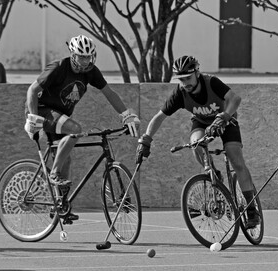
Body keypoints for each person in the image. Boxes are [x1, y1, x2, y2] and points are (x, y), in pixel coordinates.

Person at [24, 34, 140, 222]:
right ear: (72, 54)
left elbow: (109, 93)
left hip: (60, 117)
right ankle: (53, 174)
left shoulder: (91, 71)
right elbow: (32, 90)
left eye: (88, 57)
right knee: (76, 130)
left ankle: (60, 206)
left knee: (65, 159)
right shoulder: (58, 67)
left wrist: (126, 115)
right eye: (81, 56)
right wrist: (33, 118)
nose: (85, 61)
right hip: (43, 111)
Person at [136, 55, 260, 229]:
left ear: (197, 72)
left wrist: (224, 117)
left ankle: (251, 208)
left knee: (236, 159)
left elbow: (235, 99)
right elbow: (159, 117)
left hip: (225, 119)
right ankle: (212, 172)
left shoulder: (211, 82)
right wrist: (146, 139)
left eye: (188, 77)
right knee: (195, 142)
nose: (185, 82)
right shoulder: (179, 93)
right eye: (181, 79)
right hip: (201, 122)